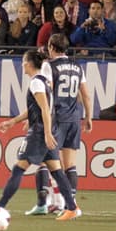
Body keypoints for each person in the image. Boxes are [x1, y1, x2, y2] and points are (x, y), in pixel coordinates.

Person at [0, 50, 80, 221]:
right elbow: (37, 108)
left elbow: (45, 109)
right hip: (46, 130)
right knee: (56, 171)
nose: (22, 65)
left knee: (19, 168)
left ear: (29, 63)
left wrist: (47, 133)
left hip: (40, 132)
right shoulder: (45, 82)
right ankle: (71, 207)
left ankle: (0, 206)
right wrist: (13, 121)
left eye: (23, 61)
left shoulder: (36, 83)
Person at [40, 33, 93, 217]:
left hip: (57, 117)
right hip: (74, 118)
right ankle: (70, 203)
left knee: (50, 162)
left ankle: (60, 202)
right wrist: (88, 116)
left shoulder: (49, 66)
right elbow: (85, 94)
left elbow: (46, 92)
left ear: (52, 47)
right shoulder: (77, 67)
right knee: (70, 164)